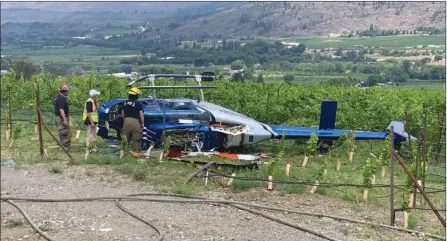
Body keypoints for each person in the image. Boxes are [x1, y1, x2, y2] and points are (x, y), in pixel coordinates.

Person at [121, 87, 144, 152]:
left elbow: (122, 112)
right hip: (135, 121)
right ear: (136, 95)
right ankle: (135, 154)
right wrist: (142, 123)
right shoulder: (138, 103)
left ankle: (123, 154)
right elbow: (141, 114)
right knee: (136, 139)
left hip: (126, 121)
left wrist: (125, 119)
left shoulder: (125, 102)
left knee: (125, 138)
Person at [54, 84, 72, 151]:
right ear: (65, 91)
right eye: (67, 91)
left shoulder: (57, 98)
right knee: (65, 132)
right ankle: (65, 148)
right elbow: (61, 110)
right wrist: (64, 120)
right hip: (61, 118)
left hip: (59, 117)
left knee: (62, 132)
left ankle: (62, 146)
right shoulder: (62, 99)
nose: (68, 92)